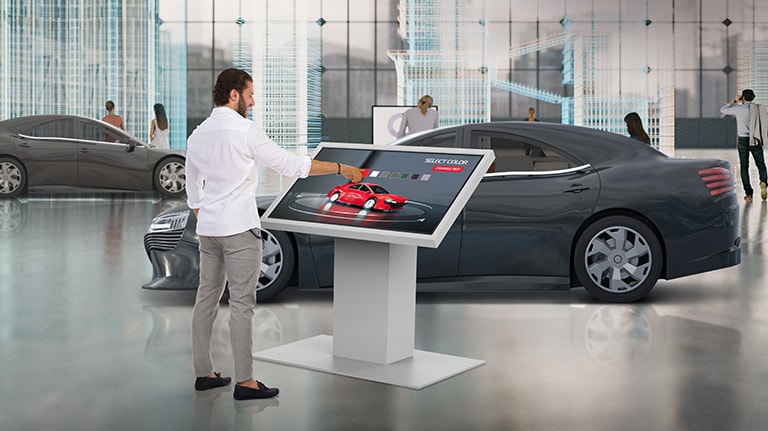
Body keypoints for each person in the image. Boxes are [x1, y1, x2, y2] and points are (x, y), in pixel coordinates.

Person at [186, 68, 363, 401]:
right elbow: (289, 165)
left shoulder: (198, 134)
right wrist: (340, 168)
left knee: (205, 300)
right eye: (250, 94)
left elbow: (192, 187)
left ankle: (204, 374)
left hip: (209, 232)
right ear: (234, 94)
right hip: (239, 231)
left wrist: (207, 215)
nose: (253, 101)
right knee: (241, 306)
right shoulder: (245, 131)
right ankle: (245, 382)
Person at [720, 89, 768, 201]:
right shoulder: (757, 109)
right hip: (755, 139)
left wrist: (734, 101)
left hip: (743, 140)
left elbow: (723, 110)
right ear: (753, 97)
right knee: (760, 164)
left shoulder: (738, 109)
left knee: (744, 167)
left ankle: (749, 193)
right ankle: (763, 182)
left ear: (743, 98)